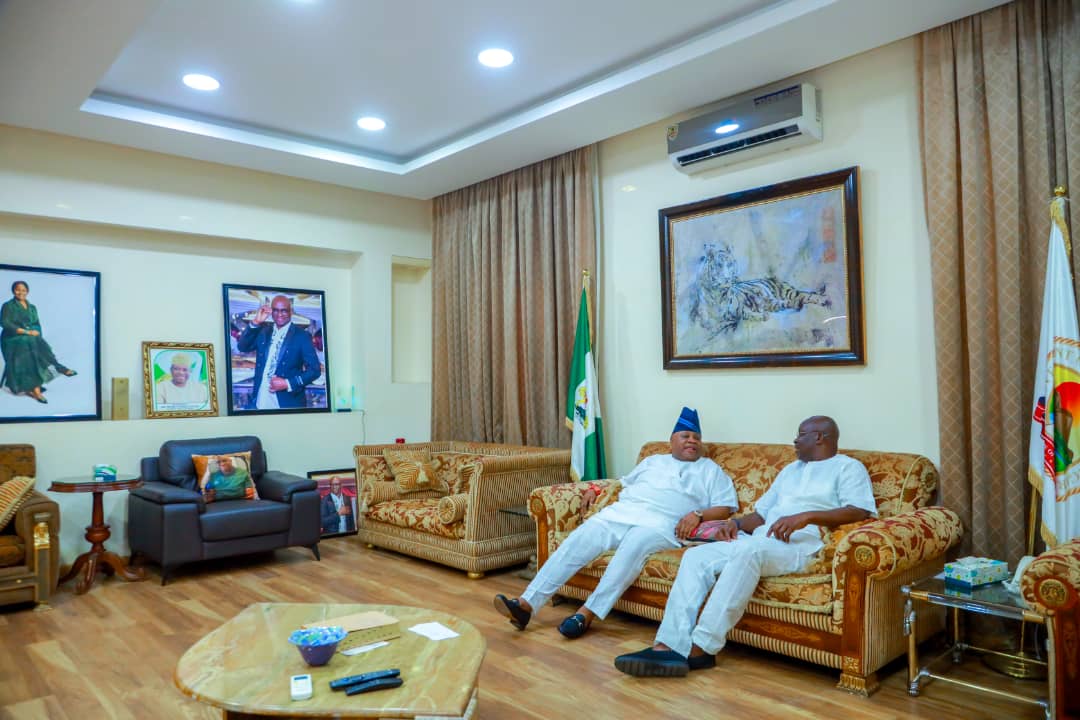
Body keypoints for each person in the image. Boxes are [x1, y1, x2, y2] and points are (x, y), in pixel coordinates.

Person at [614, 415, 877, 677]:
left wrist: (806, 516)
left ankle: (701, 648)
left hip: (801, 546)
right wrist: (736, 524)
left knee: (746, 551)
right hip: (761, 539)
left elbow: (859, 509)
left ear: (819, 437)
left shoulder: (847, 467)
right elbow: (761, 515)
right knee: (697, 557)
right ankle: (667, 647)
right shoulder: (791, 470)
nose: (794, 441)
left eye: (800, 435)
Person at [494, 407, 738, 640]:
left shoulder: (710, 470)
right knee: (581, 537)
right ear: (671, 440)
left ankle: (586, 614)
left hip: (661, 525)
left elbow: (726, 506)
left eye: (697, 437)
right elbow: (621, 482)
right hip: (621, 513)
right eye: (685, 436)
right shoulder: (653, 461)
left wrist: (697, 514)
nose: (692, 441)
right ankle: (526, 605)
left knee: (632, 548)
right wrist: (593, 488)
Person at [237, 294, 321, 410]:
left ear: (290, 311)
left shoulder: (302, 336)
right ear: (271, 312)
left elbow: (314, 370)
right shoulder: (264, 332)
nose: (279, 314)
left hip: (287, 402)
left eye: (284, 311)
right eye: (275, 310)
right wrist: (256, 322)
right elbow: (242, 347)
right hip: (260, 400)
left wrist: (287, 383)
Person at [0, 279, 77, 404]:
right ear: (13, 291)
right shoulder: (8, 305)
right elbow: (4, 323)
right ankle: (37, 389)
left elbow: (37, 324)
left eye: (23, 290)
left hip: (29, 338)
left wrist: (36, 333)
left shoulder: (32, 307)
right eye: (18, 290)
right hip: (11, 339)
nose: (21, 292)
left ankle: (56, 368)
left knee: (36, 341)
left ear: (28, 291)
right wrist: (26, 332)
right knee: (29, 342)